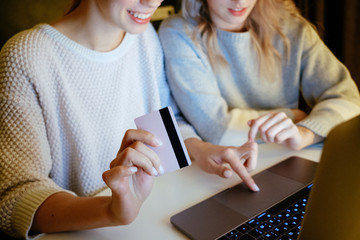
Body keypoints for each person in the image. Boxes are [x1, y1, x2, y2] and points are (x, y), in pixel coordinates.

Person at [0, 0, 260, 239]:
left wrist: (202, 150)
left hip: (156, 220)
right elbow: (15, 198)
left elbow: (162, 120)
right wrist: (111, 211)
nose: (151, 2)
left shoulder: (144, 37)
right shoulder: (26, 56)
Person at [158, 0, 360, 150]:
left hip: (285, 155)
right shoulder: (178, 31)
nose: (240, 2)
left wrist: (307, 132)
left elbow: (349, 99)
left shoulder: (292, 28)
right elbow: (218, 131)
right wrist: (292, 116)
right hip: (222, 166)